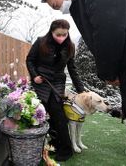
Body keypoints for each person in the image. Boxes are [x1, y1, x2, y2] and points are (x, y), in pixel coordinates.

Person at [41, 0, 126, 135]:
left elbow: (107, 33)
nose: (60, 10)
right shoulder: (83, 1)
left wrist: (108, 73)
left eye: (56, 5)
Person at [26, 19, 85, 162]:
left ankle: (66, 149)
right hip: (42, 82)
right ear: (51, 32)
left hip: (57, 83)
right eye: (58, 34)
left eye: (64, 34)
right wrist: (34, 76)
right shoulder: (40, 42)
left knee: (58, 113)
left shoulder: (70, 46)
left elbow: (72, 69)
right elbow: (29, 60)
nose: (61, 37)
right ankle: (53, 144)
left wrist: (81, 90)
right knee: (44, 113)